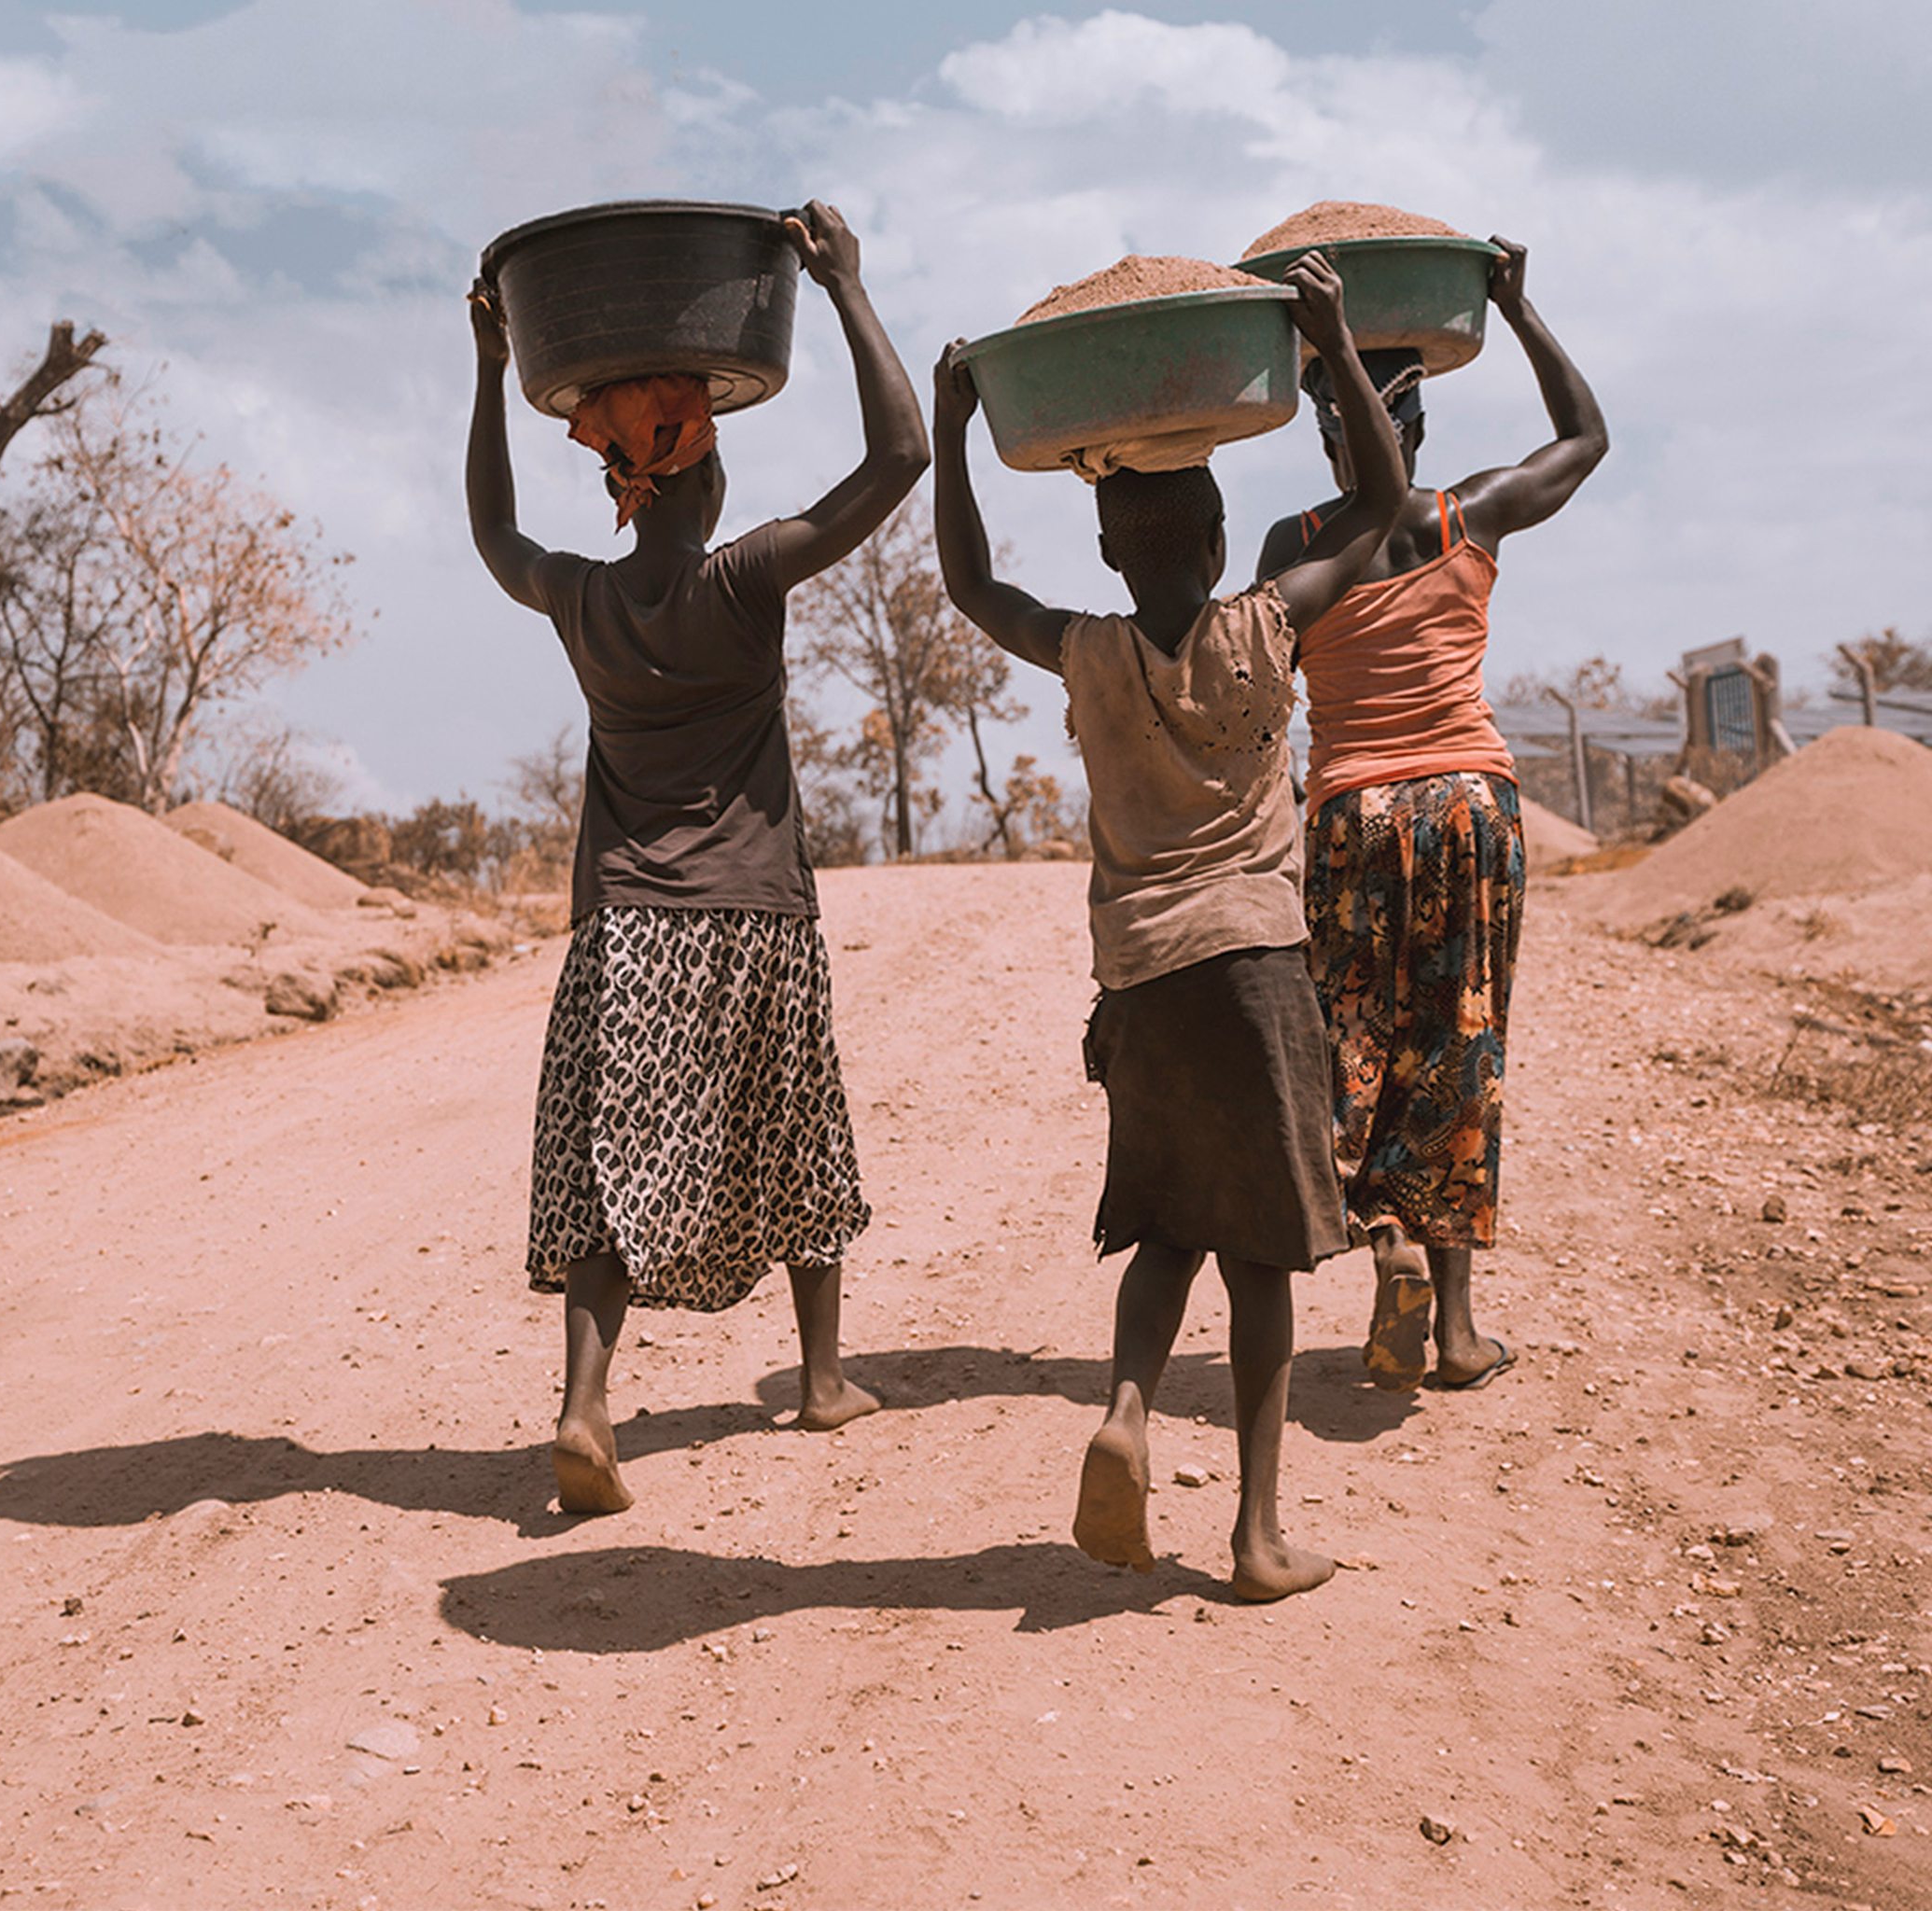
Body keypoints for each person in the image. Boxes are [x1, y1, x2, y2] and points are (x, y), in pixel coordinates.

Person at [931, 254, 1403, 1600]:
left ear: (1107, 549)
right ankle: (1254, 1536)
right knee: (1260, 1256)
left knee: (1164, 1229)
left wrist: (961, 431)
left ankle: (1128, 1410)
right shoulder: (1270, 624)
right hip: (1258, 967)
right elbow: (1374, 502)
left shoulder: (1084, 650)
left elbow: (968, 586)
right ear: (1211, 540)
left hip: (1141, 981)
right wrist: (1329, 342)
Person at [466, 200, 928, 1515]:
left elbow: (493, 532)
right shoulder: (746, 580)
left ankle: (584, 1406)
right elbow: (898, 459)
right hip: (756, 920)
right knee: (801, 1144)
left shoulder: (584, 596)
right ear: (704, 480)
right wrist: (845, 286)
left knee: (622, 1163)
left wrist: (492, 370)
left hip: (627, 928)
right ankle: (825, 1377)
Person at [1253, 238, 1607, 1393]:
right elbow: (1586, 438)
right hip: (1472, 805)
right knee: (1461, 1048)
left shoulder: (1293, 548)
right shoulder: (1472, 516)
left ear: (1326, 425)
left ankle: (1385, 1239)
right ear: (1417, 426)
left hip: (1355, 811)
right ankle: (1454, 1331)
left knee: (1353, 1045)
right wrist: (1515, 302)